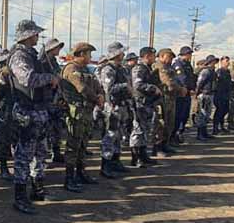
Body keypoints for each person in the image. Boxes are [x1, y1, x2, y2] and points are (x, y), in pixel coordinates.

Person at [7, 19, 58, 214]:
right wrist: (50, 78)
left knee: (40, 152)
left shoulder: (32, 55)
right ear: (27, 36)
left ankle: (38, 189)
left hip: (39, 110)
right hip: (26, 110)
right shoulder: (19, 56)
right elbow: (27, 79)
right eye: (35, 33)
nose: (38, 36)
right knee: (24, 156)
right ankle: (20, 197)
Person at [60, 42, 103, 192]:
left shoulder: (85, 69)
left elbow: (97, 85)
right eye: (89, 54)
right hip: (76, 112)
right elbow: (82, 88)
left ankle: (81, 172)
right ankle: (69, 178)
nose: (91, 57)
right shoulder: (71, 68)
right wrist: (96, 98)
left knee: (83, 144)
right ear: (82, 54)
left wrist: (101, 95)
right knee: (73, 145)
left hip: (85, 111)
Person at [97, 41, 132, 178]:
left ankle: (116, 161)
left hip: (122, 105)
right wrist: (125, 86)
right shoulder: (108, 69)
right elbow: (108, 89)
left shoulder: (121, 69)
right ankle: (105, 166)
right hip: (112, 106)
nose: (123, 54)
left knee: (119, 135)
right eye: (121, 52)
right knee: (110, 136)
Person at [129, 47, 161, 167]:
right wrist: (153, 88)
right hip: (139, 104)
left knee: (145, 131)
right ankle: (136, 157)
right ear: (147, 56)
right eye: (153, 55)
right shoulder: (139, 68)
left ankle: (143, 155)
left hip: (147, 103)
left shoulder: (147, 69)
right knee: (137, 131)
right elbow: (138, 85)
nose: (154, 58)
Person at [153, 48, 187, 157]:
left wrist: (181, 88)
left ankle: (165, 144)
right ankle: (157, 147)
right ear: (162, 56)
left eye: (172, 57)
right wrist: (180, 89)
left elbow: (176, 80)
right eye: (169, 56)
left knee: (169, 123)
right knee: (161, 124)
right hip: (162, 99)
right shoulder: (159, 67)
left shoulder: (169, 67)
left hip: (171, 98)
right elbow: (168, 82)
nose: (171, 59)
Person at [40, 38, 66, 166]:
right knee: (45, 129)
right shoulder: (43, 63)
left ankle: (56, 152)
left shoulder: (54, 62)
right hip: (46, 99)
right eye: (56, 47)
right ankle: (43, 156)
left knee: (57, 127)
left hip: (55, 98)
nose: (58, 50)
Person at [0, 50, 15, 180]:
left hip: (16, 105)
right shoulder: (3, 72)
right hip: (7, 107)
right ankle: (3, 167)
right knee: (4, 138)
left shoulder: (15, 69)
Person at [172, 46, 196, 145]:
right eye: (188, 54)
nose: (190, 56)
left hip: (187, 93)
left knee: (185, 115)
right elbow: (182, 78)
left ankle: (179, 133)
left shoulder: (187, 64)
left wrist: (192, 88)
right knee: (178, 115)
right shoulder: (178, 64)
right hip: (181, 93)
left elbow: (191, 77)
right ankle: (174, 135)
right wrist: (187, 88)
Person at [193, 55, 218, 141]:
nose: (214, 63)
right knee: (202, 114)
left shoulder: (212, 72)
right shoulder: (206, 71)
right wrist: (197, 93)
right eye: (213, 61)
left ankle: (204, 132)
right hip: (204, 94)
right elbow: (199, 83)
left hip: (210, 94)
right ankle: (200, 134)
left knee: (207, 114)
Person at [213, 56, 232, 135]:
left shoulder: (227, 71)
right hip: (219, 94)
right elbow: (217, 83)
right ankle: (215, 128)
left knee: (225, 110)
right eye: (226, 61)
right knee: (219, 111)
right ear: (222, 62)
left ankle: (222, 126)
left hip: (226, 94)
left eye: (228, 61)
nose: (228, 63)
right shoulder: (219, 71)